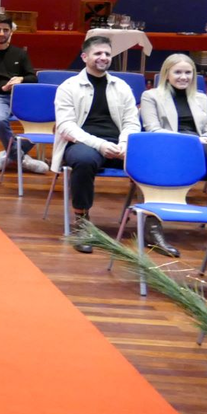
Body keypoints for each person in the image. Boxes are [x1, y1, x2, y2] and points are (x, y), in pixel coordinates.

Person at [52, 35, 167, 256]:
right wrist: (100, 145)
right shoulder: (68, 87)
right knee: (84, 160)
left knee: (151, 162)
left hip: (118, 143)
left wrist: (124, 144)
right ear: (84, 57)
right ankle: (82, 223)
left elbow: (132, 122)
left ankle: (152, 225)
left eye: (107, 53)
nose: (103, 57)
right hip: (83, 142)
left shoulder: (121, 86)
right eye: (98, 53)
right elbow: (66, 127)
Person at [141, 53, 207, 207]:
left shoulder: (201, 98)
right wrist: (195, 140)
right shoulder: (150, 96)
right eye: (178, 72)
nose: (184, 77)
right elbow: (153, 131)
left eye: (188, 72)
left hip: (202, 150)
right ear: (167, 74)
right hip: (169, 148)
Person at [0, 14, 49, 174]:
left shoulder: (20, 54)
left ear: (11, 32)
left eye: (5, 30)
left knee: (43, 122)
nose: (1, 33)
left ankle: (8, 155)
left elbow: (33, 78)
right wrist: (2, 88)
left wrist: (21, 79)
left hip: (21, 97)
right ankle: (22, 159)